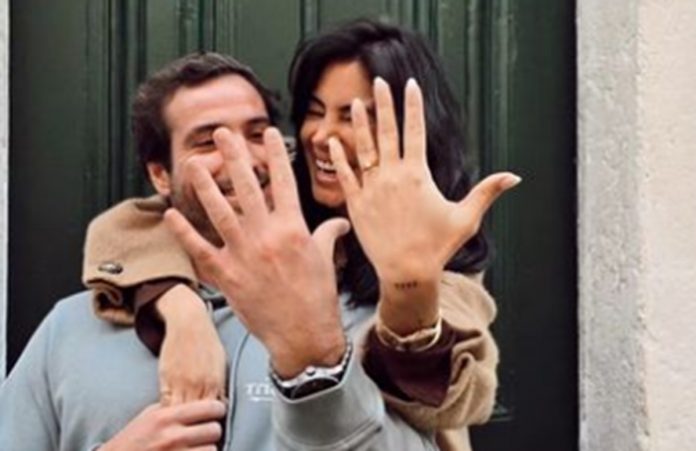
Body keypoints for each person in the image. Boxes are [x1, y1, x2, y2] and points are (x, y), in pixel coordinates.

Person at [81, 20, 518, 450]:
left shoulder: (439, 251)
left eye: (354, 116)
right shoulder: (279, 179)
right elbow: (132, 226)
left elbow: (463, 394)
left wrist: (410, 288)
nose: (322, 135)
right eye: (314, 111)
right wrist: (182, 312)